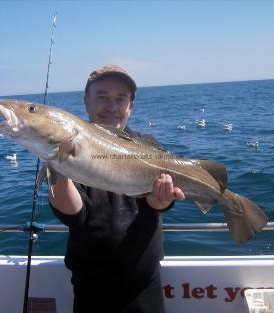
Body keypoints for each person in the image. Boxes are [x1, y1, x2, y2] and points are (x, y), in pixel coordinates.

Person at [48, 65, 185, 313]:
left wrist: (161, 200)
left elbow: (156, 205)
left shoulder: (150, 146)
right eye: (102, 98)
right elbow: (74, 215)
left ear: (130, 106)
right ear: (87, 102)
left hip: (144, 286)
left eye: (120, 99)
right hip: (90, 287)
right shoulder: (72, 148)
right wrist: (57, 165)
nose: (111, 107)